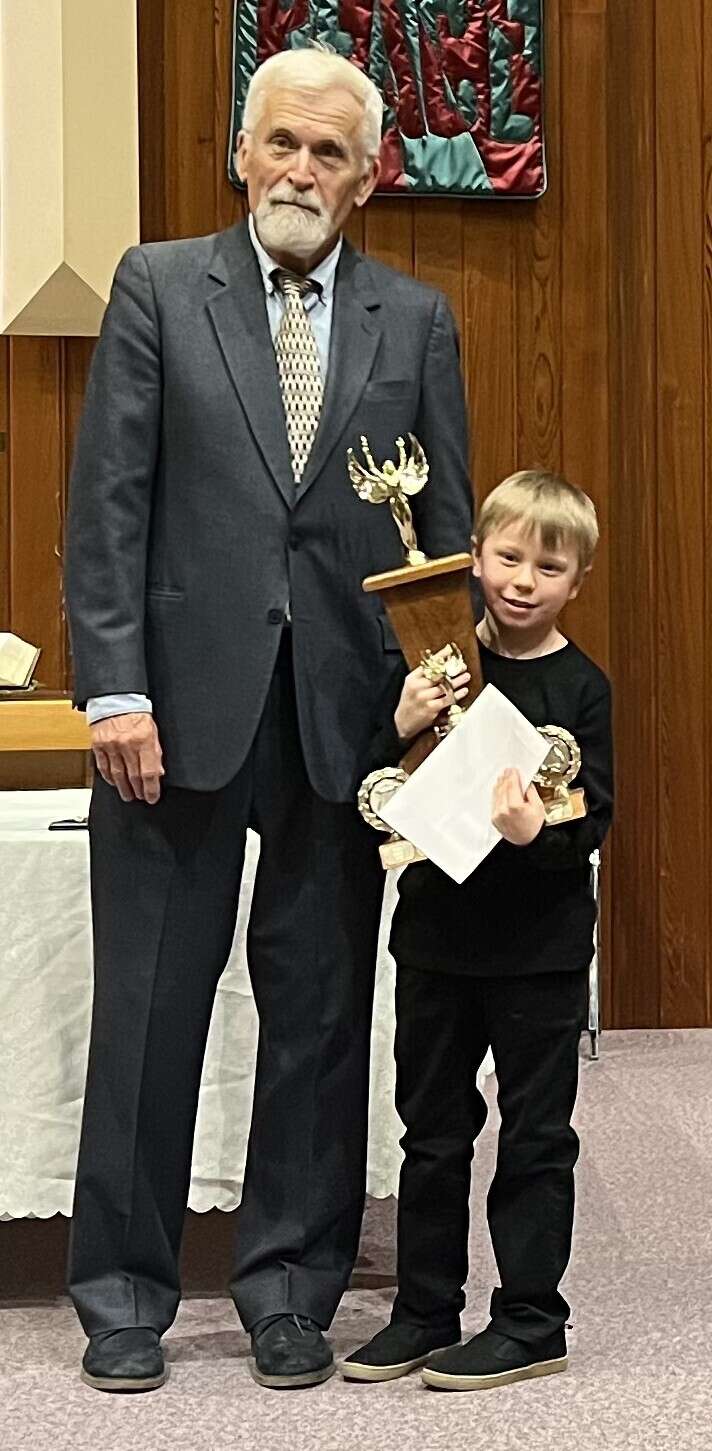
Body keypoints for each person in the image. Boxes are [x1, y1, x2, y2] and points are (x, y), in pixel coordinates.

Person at [63, 46, 472, 1393]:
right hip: (172, 715)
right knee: (148, 1009)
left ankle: (291, 1286)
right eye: (281, 143)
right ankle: (123, 1292)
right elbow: (109, 502)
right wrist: (114, 688)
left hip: (343, 720)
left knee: (319, 1011)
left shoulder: (416, 321)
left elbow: (441, 535)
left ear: (368, 177)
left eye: (329, 153)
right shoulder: (157, 286)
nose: (301, 170)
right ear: (242, 153)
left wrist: (442, 711)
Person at [341, 470, 613, 1391]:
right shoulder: (437, 668)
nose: (524, 580)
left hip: (539, 954)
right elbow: (376, 793)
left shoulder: (581, 687)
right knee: (431, 1133)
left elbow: (593, 817)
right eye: (508, 557)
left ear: (578, 580)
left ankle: (532, 1320)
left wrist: (540, 833)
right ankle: (424, 1310)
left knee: (535, 1137)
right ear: (475, 558)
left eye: (550, 566)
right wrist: (399, 722)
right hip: (435, 943)